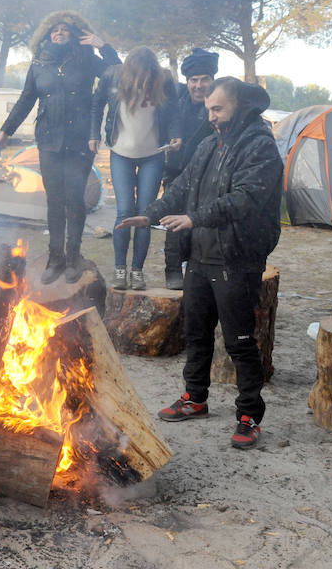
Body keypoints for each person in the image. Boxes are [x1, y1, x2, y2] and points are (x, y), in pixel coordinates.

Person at [117, 76, 283, 450]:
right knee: (196, 334)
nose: (210, 116)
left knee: (240, 341)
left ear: (240, 106)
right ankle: (196, 398)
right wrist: (150, 215)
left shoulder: (260, 148)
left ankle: (249, 416)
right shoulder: (210, 144)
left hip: (237, 257)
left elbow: (244, 199)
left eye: (218, 108)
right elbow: (181, 188)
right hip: (202, 256)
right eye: (208, 109)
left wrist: (195, 219)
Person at [0, 11, 120, 284]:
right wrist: (6, 131)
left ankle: (74, 258)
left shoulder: (88, 60)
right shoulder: (39, 63)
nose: (59, 32)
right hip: (49, 141)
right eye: (54, 29)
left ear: (75, 34)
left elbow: (117, 74)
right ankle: (55, 258)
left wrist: (104, 47)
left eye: (65, 29)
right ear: (47, 34)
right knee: (54, 201)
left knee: (75, 199)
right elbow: (26, 100)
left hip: (80, 141)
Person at [90, 46, 180, 291]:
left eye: (146, 74)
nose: (142, 79)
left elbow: (173, 113)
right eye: (137, 74)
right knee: (123, 211)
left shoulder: (164, 81)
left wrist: (175, 135)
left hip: (153, 155)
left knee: (145, 215)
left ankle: (137, 272)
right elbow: (97, 104)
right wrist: (93, 134)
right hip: (121, 154)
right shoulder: (114, 76)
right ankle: (121, 269)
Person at [161, 48, 219, 289]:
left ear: (212, 80)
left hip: (209, 175)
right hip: (176, 171)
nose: (198, 85)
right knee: (174, 221)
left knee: (202, 223)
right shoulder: (175, 103)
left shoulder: (219, 104)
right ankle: (173, 270)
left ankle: (198, 271)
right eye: (193, 80)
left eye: (204, 79)